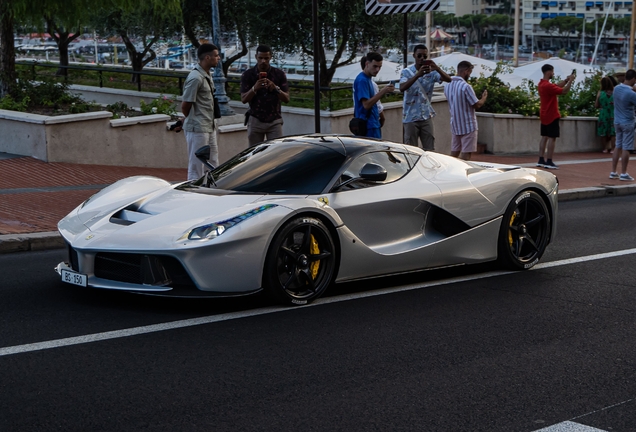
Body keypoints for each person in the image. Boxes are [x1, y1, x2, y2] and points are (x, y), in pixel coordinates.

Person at [399, 44, 451, 151]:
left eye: (424, 56)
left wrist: (437, 68)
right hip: (410, 117)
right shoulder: (406, 72)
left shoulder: (431, 73)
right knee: (411, 150)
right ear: (414, 56)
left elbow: (449, 79)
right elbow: (402, 87)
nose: (422, 58)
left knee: (430, 150)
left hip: (426, 116)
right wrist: (417, 75)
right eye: (419, 56)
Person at [181, 43, 220, 181]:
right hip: (198, 128)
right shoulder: (195, 78)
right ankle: (193, 192)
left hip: (209, 126)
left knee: (213, 163)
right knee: (196, 166)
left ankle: (212, 190)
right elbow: (185, 105)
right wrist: (191, 119)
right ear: (207, 57)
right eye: (216, 56)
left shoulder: (206, 75)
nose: (218, 58)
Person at [240, 45, 290, 146]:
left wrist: (275, 88)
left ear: (270, 57)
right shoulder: (248, 75)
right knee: (255, 153)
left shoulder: (279, 74)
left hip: (274, 120)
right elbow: (244, 99)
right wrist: (254, 88)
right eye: (260, 58)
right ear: (256, 57)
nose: (263, 61)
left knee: (276, 152)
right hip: (255, 119)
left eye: (266, 58)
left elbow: (286, 99)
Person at [443, 60, 487, 161]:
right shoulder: (466, 87)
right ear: (466, 71)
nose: (470, 75)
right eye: (470, 73)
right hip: (468, 125)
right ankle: (463, 173)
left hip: (455, 124)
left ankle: (449, 171)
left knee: (454, 153)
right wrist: (484, 98)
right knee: (466, 155)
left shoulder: (447, 86)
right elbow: (477, 104)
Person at [536, 64, 574, 169]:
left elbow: (556, 87)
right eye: (552, 72)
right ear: (549, 72)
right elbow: (564, 91)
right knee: (552, 138)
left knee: (544, 137)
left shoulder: (541, 84)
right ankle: (549, 161)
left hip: (544, 114)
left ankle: (541, 159)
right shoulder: (548, 86)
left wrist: (566, 81)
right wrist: (570, 81)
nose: (553, 74)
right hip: (552, 114)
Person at [353, 52, 395, 139]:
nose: (377, 70)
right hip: (368, 126)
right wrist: (383, 91)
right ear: (367, 64)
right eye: (375, 66)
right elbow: (366, 105)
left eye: (379, 67)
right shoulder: (362, 80)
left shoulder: (367, 79)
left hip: (372, 124)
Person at [609, 68, 636, 181]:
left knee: (617, 146)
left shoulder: (616, 89)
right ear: (633, 79)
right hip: (628, 122)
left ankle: (613, 171)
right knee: (626, 147)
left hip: (617, 121)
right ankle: (624, 173)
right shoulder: (631, 93)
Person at [595, 76, 615, 154]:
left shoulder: (600, 93)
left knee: (603, 132)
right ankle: (613, 149)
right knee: (613, 132)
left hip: (603, 113)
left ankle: (605, 148)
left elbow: (596, 105)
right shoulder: (615, 92)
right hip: (613, 113)